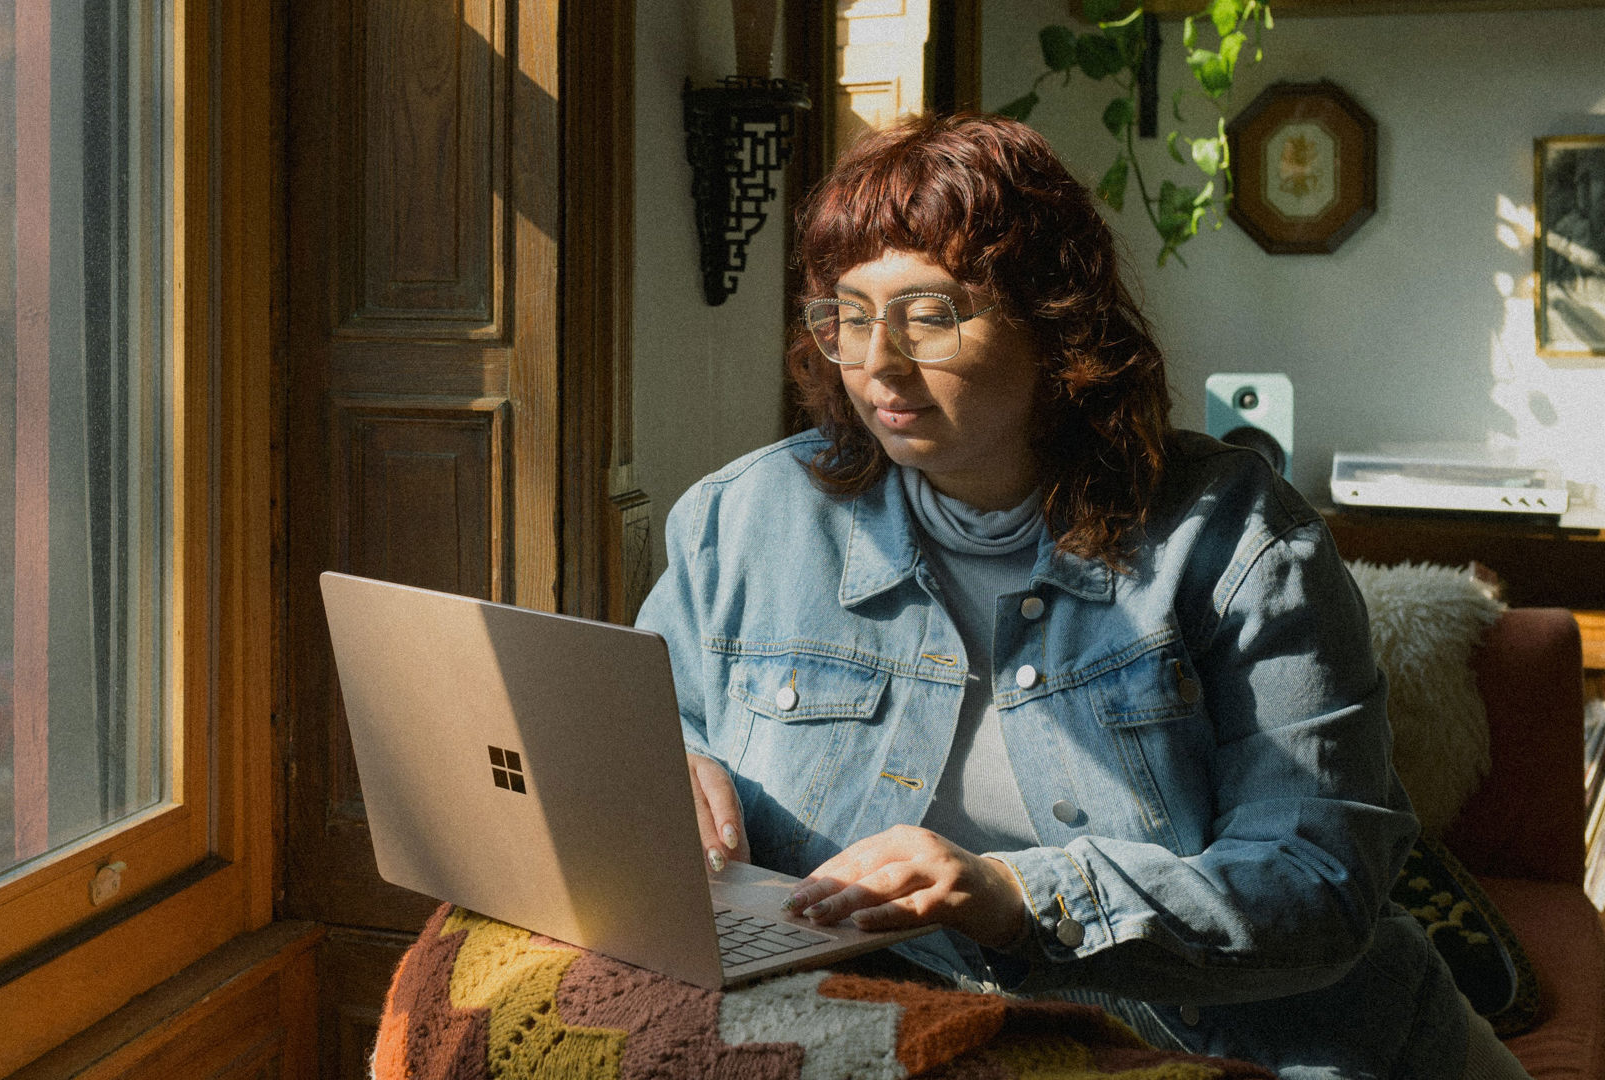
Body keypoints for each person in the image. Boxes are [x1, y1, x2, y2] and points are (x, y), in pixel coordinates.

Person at [635, 112, 1528, 1080]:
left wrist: (1016, 897)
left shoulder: (1237, 538)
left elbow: (1319, 884)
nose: (878, 363)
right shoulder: (742, 520)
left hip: (1255, 1050)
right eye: (849, 316)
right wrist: (670, 768)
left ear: (1053, 321)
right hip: (906, 1042)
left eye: (928, 315)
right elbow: (659, 724)